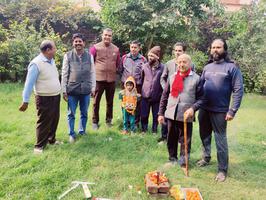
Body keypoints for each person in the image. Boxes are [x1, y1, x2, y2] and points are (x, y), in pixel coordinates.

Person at [186, 38, 244, 182]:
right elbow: (200, 88)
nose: (215, 50)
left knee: (220, 139)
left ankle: (222, 170)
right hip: (204, 108)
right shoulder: (208, 67)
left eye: (218, 47)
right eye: (213, 47)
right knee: (204, 135)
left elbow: (238, 90)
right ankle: (206, 157)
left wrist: (232, 110)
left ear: (224, 49)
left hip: (220, 110)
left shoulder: (232, 68)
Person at [158, 54, 204, 173]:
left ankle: (183, 162)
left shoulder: (197, 79)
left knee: (185, 141)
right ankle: (172, 159)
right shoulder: (172, 77)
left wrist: (193, 109)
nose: (182, 65)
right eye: (179, 62)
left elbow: (202, 99)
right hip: (171, 113)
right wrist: (160, 113)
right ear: (177, 63)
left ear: (189, 63)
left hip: (186, 116)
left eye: (184, 62)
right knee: (170, 138)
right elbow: (164, 95)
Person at [19, 40, 61, 154]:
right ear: (48, 50)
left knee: (54, 119)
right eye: (54, 48)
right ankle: (39, 147)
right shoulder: (36, 63)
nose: (56, 50)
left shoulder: (51, 60)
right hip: (44, 98)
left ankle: (51, 140)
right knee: (43, 121)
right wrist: (25, 101)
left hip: (55, 95)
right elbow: (29, 83)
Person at [61, 33, 96, 143]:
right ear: (73, 43)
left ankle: (82, 131)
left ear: (84, 43)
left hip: (86, 89)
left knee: (84, 112)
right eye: (76, 41)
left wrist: (93, 87)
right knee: (71, 113)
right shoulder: (68, 56)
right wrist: (64, 90)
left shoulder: (89, 56)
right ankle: (71, 133)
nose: (78, 43)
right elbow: (64, 73)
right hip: (72, 90)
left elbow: (92, 72)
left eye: (80, 41)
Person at [158, 42, 194, 143]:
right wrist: (167, 89)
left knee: (180, 117)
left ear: (184, 52)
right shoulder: (168, 64)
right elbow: (163, 78)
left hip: (183, 95)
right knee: (167, 115)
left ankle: (180, 139)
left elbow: (192, 78)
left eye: (180, 51)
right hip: (171, 95)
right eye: (176, 50)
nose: (177, 52)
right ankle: (164, 137)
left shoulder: (190, 64)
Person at [90, 28, 120, 130]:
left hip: (111, 80)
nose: (107, 37)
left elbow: (118, 63)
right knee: (96, 102)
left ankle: (109, 120)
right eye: (105, 35)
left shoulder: (116, 49)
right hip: (98, 80)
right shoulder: (95, 48)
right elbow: (90, 63)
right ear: (102, 35)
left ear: (112, 37)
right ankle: (95, 122)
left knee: (110, 102)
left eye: (109, 35)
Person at [119, 40, 147, 127]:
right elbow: (120, 70)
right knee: (125, 103)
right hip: (126, 85)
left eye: (135, 47)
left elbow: (145, 73)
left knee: (137, 104)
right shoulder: (124, 58)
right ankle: (125, 122)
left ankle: (135, 122)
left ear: (139, 48)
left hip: (137, 85)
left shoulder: (143, 59)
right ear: (129, 47)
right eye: (132, 47)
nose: (133, 49)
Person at [138, 46, 164, 133]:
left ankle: (154, 130)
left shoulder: (163, 68)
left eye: (152, 56)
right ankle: (144, 130)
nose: (149, 57)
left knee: (155, 114)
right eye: (149, 55)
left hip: (157, 96)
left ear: (157, 57)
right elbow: (141, 79)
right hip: (145, 95)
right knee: (144, 114)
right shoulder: (144, 66)